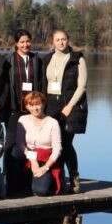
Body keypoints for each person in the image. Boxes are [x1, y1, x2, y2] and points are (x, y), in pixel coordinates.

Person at [41, 29, 88, 193]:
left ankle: (74, 176)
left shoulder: (77, 59)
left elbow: (82, 86)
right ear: (53, 42)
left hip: (70, 105)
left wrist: (69, 106)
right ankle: (59, 179)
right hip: (50, 105)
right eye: (58, 40)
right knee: (54, 143)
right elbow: (44, 84)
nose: (61, 42)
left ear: (68, 40)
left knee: (66, 143)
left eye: (64, 39)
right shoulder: (47, 59)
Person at [4, 28, 43, 192]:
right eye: (22, 42)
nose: (25, 44)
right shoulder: (8, 60)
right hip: (14, 110)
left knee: (31, 144)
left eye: (27, 41)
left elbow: (41, 84)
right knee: (11, 145)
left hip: (32, 110)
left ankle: (27, 181)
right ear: (16, 44)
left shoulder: (36, 60)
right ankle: (9, 181)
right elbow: (6, 86)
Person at [11, 91, 62, 196]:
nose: (35, 108)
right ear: (27, 107)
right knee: (14, 151)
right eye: (31, 105)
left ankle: (52, 178)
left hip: (45, 159)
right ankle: (18, 181)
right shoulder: (23, 120)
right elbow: (20, 143)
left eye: (38, 104)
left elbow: (57, 148)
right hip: (28, 156)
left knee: (40, 191)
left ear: (43, 104)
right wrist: (33, 159)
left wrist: (45, 167)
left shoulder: (53, 123)